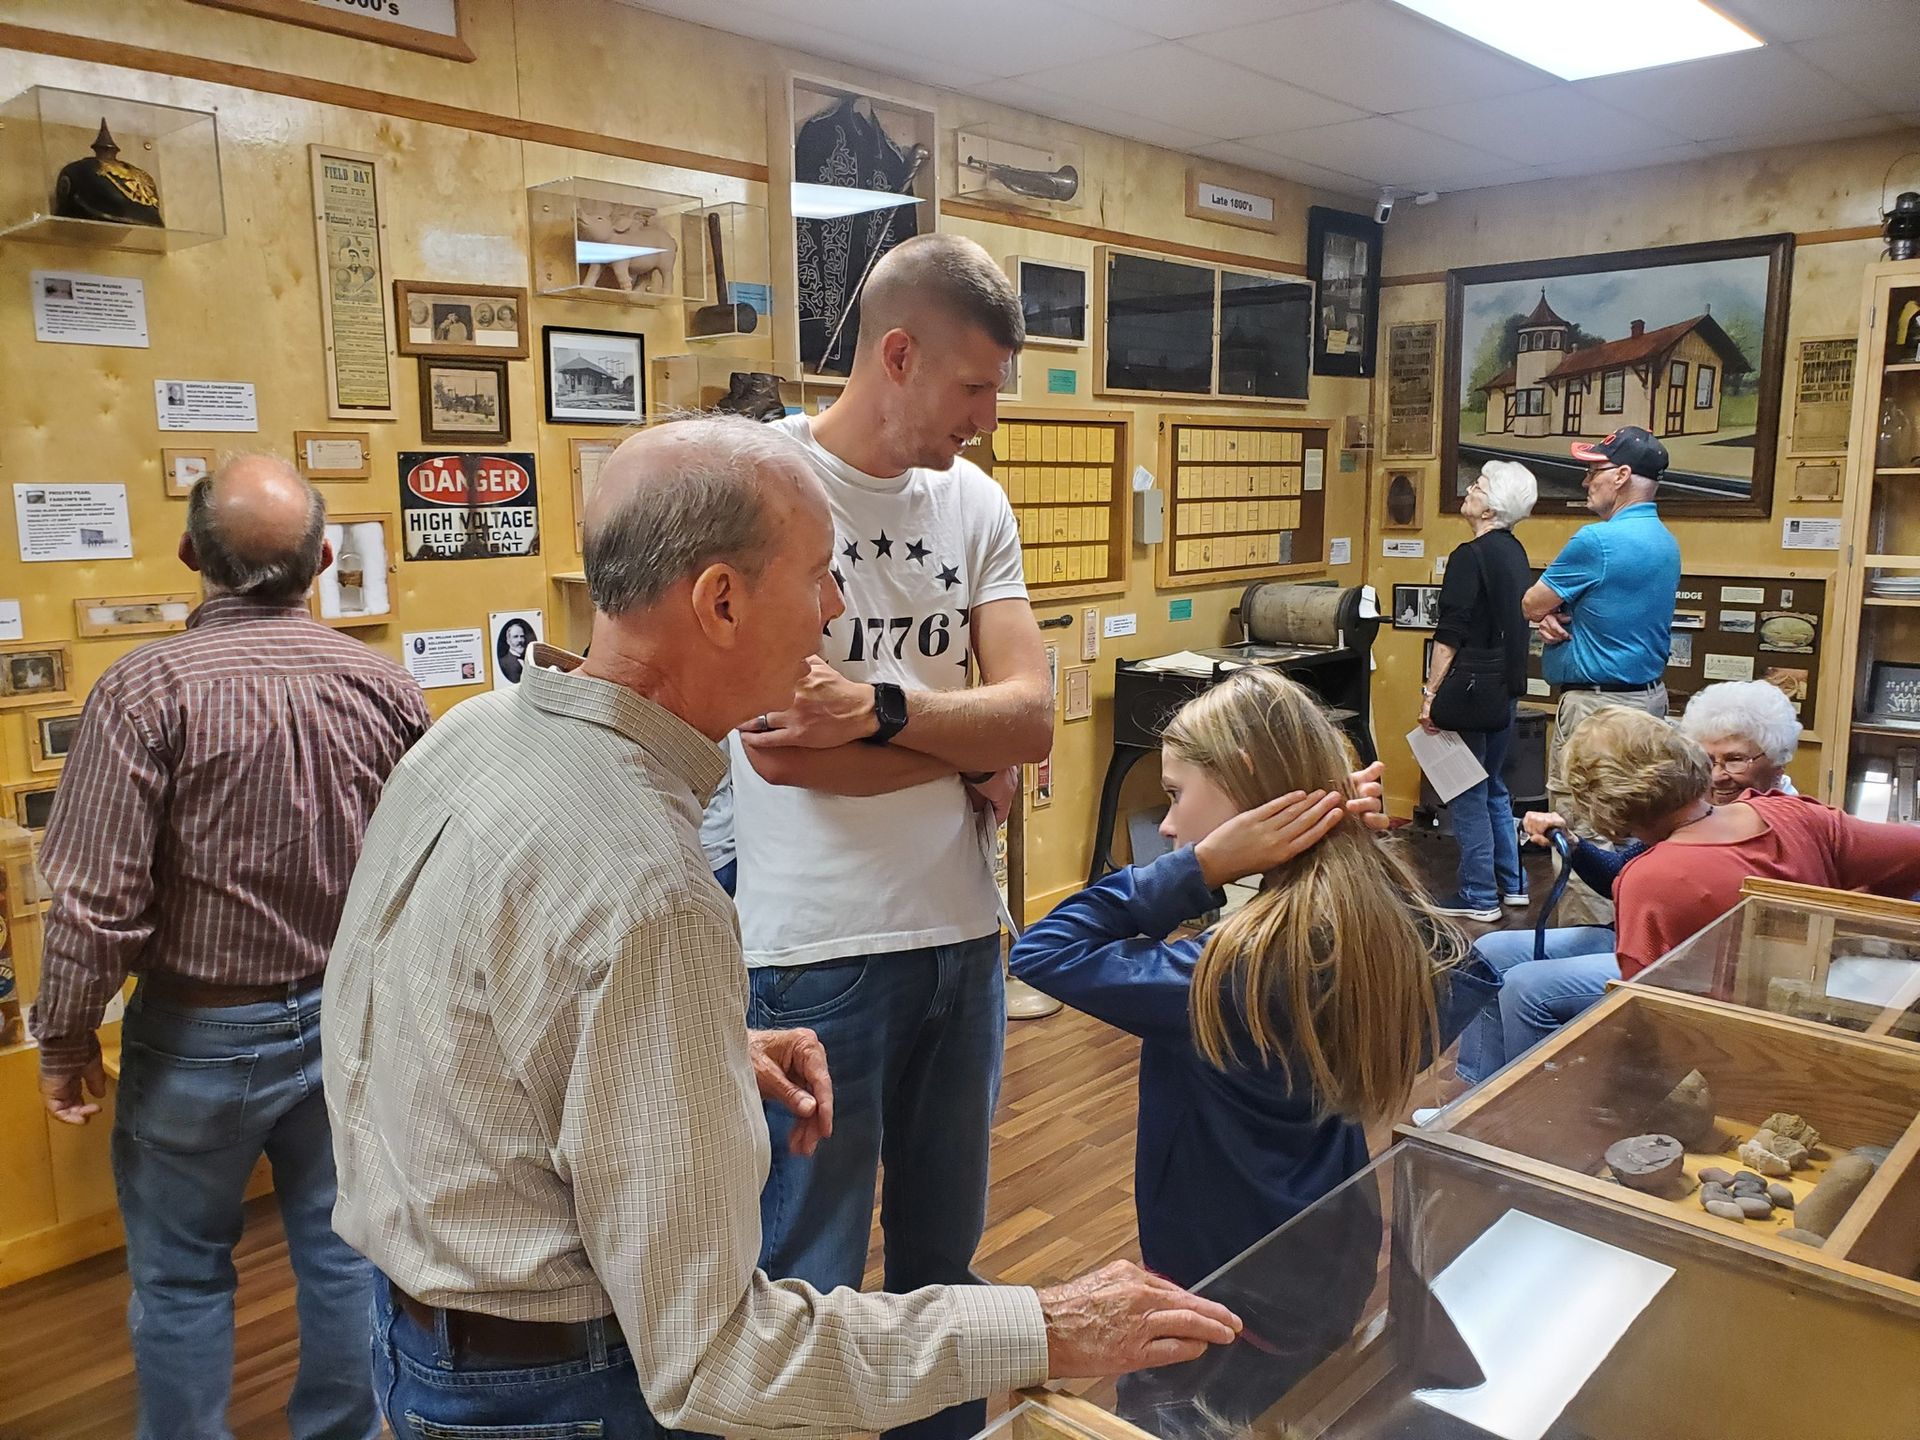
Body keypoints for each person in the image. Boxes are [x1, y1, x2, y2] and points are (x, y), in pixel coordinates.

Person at [323, 417, 1239, 1440]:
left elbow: (445, 1026)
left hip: (417, 1347)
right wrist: (1044, 1325)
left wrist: (695, 1050)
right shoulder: (653, 890)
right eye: (817, 578)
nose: (835, 608)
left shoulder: (468, 738)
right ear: (719, 601)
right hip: (560, 1393)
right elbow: (718, 1364)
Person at [30, 455, 430, 1440]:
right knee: (346, 1257)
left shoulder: (142, 690)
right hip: (354, 1022)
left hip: (200, 1036)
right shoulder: (384, 686)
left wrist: (65, 1037)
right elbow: (429, 870)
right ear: (323, 560)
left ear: (185, 555)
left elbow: (95, 904)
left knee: (179, 1279)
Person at [727, 234, 1052, 1440]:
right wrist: (962, 745)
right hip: (816, 954)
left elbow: (1033, 716)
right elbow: (778, 750)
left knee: (942, 1274)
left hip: (965, 944)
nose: (988, 420)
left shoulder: (975, 500)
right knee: (806, 1278)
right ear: (898, 355)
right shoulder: (759, 486)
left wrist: (882, 711)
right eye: (974, 390)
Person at [1010, 669, 1467, 1292]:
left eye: (1174, 794)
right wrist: (1333, 835)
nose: (1167, 826)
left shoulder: (1232, 969)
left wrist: (1201, 865)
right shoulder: (1374, 917)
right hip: (1331, 1246)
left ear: (1247, 780)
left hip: (1228, 1272)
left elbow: (1043, 950)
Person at [1453, 703, 1903, 1082]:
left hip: (1717, 997)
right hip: (1734, 968)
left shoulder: (1654, 876)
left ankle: (1525, 1122)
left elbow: (1642, 1019)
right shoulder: (1788, 812)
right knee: (1491, 949)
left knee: (1525, 988)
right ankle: (1474, 1092)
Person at [1521, 426, 1681, 922]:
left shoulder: (1599, 541)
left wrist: (1543, 612)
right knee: (1633, 829)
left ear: (1624, 475)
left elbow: (1532, 601)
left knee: (1581, 828)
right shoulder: (1664, 540)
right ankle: (1630, 932)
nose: (1585, 481)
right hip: (1648, 704)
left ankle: (1584, 952)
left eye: (1594, 471)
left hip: (1596, 709)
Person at [1420, 459, 1538, 922]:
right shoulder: (1514, 552)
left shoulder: (1469, 557)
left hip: (1470, 692)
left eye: (1480, 484)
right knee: (1493, 787)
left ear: (1491, 508)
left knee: (1466, 792)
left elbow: (1451, 634)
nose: (1470, 488)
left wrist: (1430, 694)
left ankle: (1479, 896)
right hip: (1504, 690)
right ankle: (1513, 886)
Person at [1676, 679, 1801, 804]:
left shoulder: (1798, 820)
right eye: (1707, 761)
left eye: (1735, 760)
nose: (1716, 777)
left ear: (1778, 762)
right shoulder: (1680, 816)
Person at [496, 616, 534, 684]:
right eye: (515, 637)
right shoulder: (504, 663)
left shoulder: (530, 659)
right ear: (508, 640)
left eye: (522, 636)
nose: (520, 640)